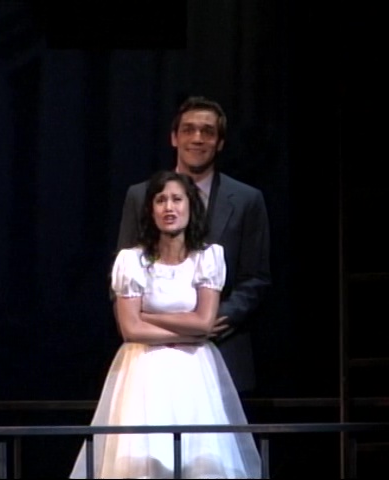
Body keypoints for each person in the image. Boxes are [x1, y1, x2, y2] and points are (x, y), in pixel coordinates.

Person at [70, 170, 261, 479]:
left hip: (194, 371)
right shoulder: (132, 261)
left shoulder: (207, 258)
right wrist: (188, 330)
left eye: (176, 199)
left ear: (190, 206)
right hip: (144, 371)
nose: (169, 207)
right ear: (151, 210)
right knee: (143, 460)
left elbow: (204, 322)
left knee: (201, 460)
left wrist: (147, 316)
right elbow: (131, 330)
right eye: (160, 200)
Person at [116, 96, 271, 394]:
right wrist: (153, 323)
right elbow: (124, 275)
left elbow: (256, 277)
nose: (197, 138)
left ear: (220, 142)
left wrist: (212, 318)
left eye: (207, 132)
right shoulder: (140, 196)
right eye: (188, 130)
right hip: (149, 356)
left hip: (223, 347)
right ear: (174, 138)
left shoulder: (247, 200)